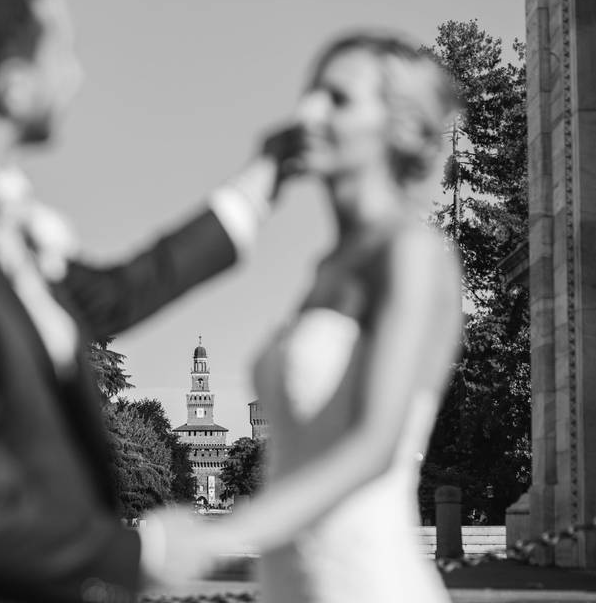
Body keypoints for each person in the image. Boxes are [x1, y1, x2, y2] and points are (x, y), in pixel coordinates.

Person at [0, 0, 303, 601]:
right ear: (12, 85)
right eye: (62, 52)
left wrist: (265, 177)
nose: (77, 75)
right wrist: (143, 550)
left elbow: (118, 294)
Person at [151, 33, 463, 601]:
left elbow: (375, 445)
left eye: (338, 99)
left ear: (401, 128)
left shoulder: (411, 256)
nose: (307, 112)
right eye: (310, 93)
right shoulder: (325, 268)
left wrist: (219, 536)